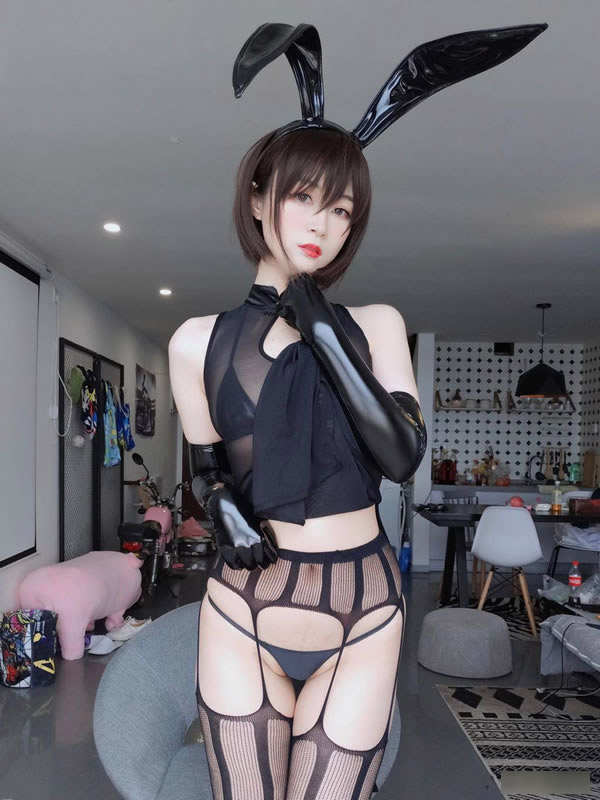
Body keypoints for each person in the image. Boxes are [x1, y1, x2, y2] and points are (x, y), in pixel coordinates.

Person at [168, 21, 546, 799]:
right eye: (304, 197)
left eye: (342, 210)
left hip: (364, 609)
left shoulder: (375, 325)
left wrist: (322, 333)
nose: (324, 224)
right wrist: (223, 507)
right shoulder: (195, 342)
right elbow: (207, 470)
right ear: (257, 197)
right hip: (245, 607)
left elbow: (402, 457)